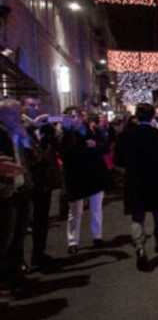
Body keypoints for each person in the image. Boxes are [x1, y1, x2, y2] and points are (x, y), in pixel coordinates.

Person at [114, 103, 158, 271]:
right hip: (156, 180)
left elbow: (118, 160)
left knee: (137, 216)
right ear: (152, 116)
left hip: (135, 180)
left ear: (136, 115)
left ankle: (140, 246)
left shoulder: (126, 136)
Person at [59, 106, 113, 254]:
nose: (74, 119)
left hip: (94, 174)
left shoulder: (93, 131)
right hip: (75, 177)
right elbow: (65, 154)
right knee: (75, 210)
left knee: (96, 208)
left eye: (76, 116)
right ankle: (73, 241)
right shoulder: (65, 133)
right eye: (70, 116)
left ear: (83, 118)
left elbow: (105, 148)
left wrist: (95, 146)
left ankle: (97, 236)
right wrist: (68, 132)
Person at [21, 97, 62, 271]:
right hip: (26, 181)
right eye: (31, 105)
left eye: (38, 105)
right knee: (21, 224)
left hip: (44, 180)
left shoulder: (45, 127)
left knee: (41, 220)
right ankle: (19, 261)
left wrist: (55, 129)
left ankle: (39, 254)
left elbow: (56, 147)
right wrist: (30, 128)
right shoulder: (20, 127)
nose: (36, 108)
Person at [0, 99, 33, 292]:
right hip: (5, 192)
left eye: (18, 114)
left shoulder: (20, 132)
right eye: (13, 114)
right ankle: (4, 280)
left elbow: (34, 157)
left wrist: (26, 138)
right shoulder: (2, 135)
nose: (18, 118)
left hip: (22, 189)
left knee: (19, 235)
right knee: (5, 237)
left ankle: (15, 273)